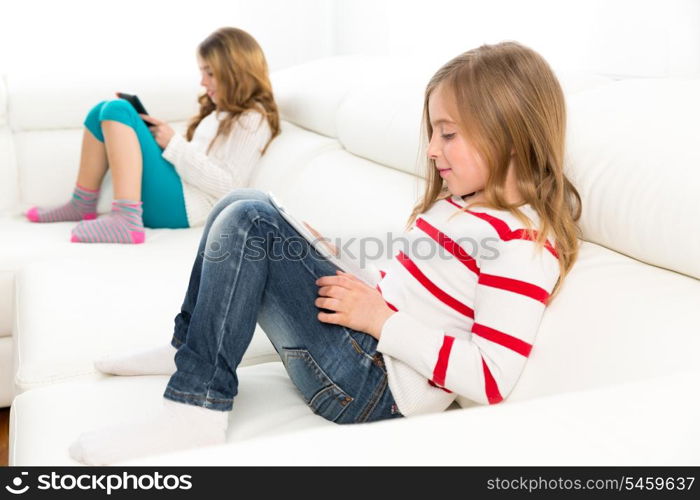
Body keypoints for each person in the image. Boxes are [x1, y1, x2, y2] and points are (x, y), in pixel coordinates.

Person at [68, 41, 582, 464]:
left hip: (375, 390)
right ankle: (191, 350)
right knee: (246, 202)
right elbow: (404, 290)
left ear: (511, 138)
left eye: (447, 135)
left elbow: (490, 377)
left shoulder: (522, 247)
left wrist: (381, 321)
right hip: (362, 349)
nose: (430, 150)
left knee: (250, 222)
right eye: (432, 134)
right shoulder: (458, 207)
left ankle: (196, 410)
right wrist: (330, 256)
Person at [25, 27, 280, 244]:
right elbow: (199, 160)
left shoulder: (252, 119)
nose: (203, 82)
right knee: (99, 113)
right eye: (202, 72)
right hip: (178, 191)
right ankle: (82, 204)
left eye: (210, 73)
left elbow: (231, 186)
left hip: (187, 209)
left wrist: (175, 145)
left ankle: (126, 220)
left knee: (118, 110)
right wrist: (167, 142)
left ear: (237, 71)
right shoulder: (219, 114)